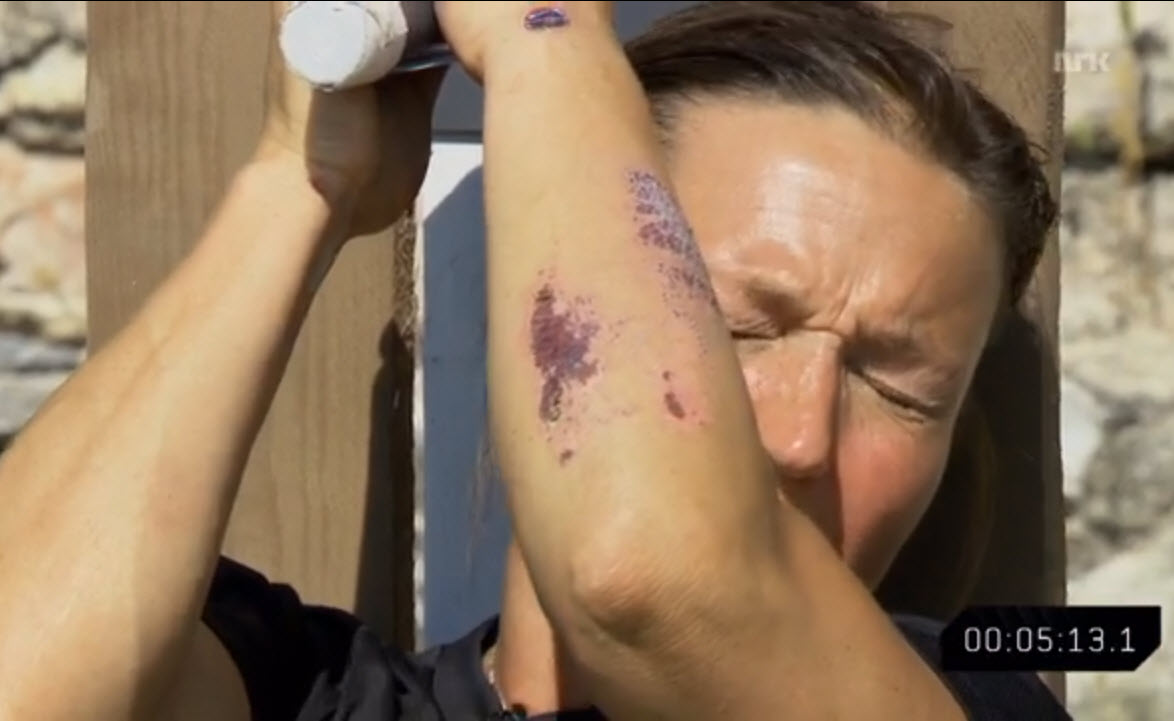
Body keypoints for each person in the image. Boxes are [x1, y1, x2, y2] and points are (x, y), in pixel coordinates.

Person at [0, 2, 1072, 720]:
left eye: (898, 389)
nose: (802, 438)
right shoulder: (315, 693)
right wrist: (303, 184)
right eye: (729, 327)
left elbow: (650, 578)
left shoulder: (974, 697)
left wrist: (543, 40)